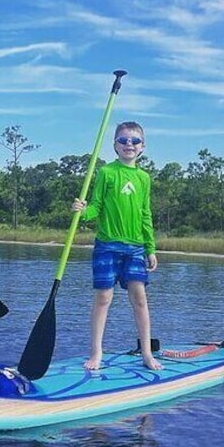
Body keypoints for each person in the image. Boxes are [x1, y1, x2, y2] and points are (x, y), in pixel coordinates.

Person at [71, 121, 162, 371]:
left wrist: (150, 248)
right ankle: (96, 353)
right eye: (123, 140)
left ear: (142, 147)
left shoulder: (144, 178)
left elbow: (146, 214)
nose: (128, 145)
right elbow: (96, 206)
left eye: (134, 141)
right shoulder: (106, 172)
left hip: (135, 248)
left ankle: (146, 353)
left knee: (140, 299)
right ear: (115, 145)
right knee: (103, 297)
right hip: (107, 245)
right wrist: (82, 211)